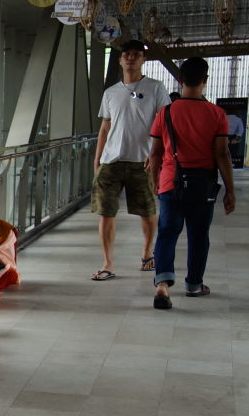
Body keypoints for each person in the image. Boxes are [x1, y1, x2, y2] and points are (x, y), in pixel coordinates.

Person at [144, 57, 237, 310]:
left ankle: (162, 285)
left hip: (170, 183)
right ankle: (194, 284)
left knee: (167, 232)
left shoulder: (166, 112)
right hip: (203, 184)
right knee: (198, 235)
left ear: (180, 80)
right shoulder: (217, 114)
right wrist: (230, 190)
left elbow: (154, 153)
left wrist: (155, 181)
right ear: (205, 81)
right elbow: (222, 154)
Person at [91, 39, 171, 281]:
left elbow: (165, 124)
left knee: (148, 211)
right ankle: (108, 264)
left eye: (136, 54)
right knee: (106, 213)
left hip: (143, 161)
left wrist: (158, 157)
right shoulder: (111, 92)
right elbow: (105, 127)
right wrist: (97, 160)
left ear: (143, 60)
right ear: (119, 59)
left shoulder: (156, 88)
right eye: (127, 54)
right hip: (111, 161)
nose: (131, 58)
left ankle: (147, 253)